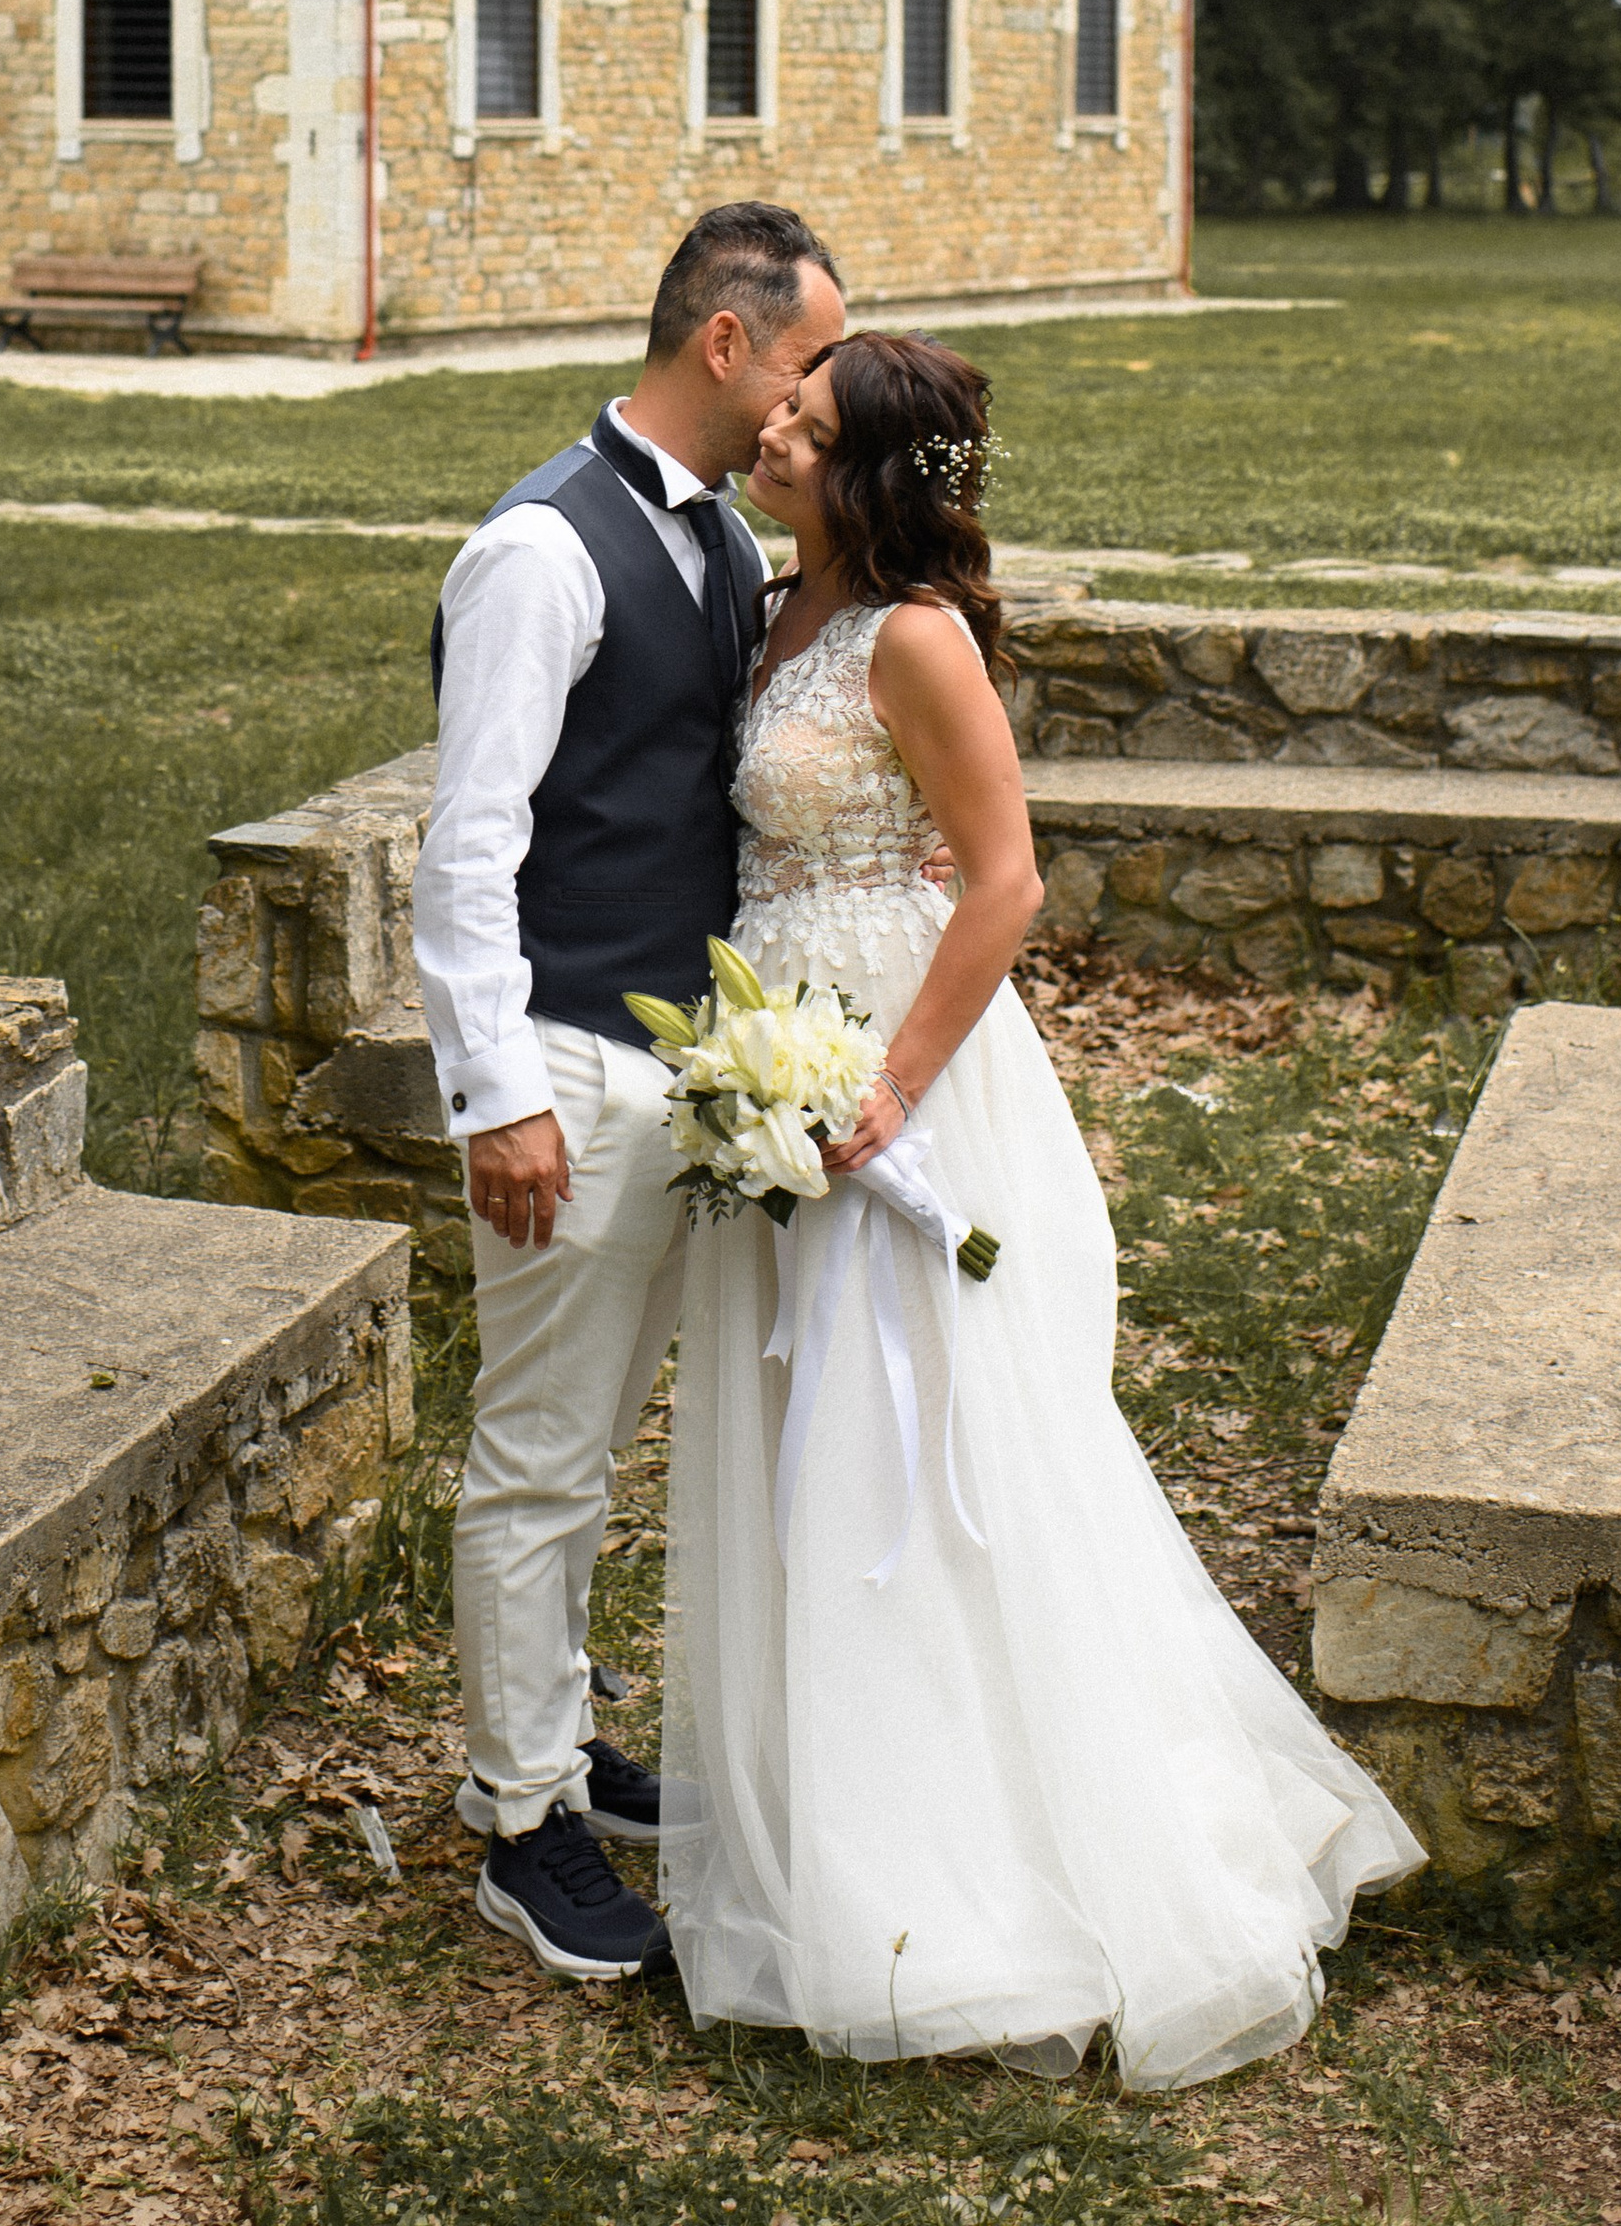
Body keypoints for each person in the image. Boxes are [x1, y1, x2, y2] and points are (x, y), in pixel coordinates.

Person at [660, 330, 1423, 2088]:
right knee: (800, 1429)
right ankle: (831, 1814)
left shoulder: (915, 640)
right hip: (776, 1045)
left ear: (868, 480)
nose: (771, 423)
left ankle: (968, 1875)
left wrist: (885, 1094)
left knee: (917, 1445)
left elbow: (1005, 882)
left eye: (809, 421)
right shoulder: (778, 607)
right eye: (781, 401)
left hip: (890, 1075)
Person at [412, 201, 848, 1984]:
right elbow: (469, 848)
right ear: (728, 346)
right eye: (813, 357)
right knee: (539, 1454)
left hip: (686, 1074)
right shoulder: (539, 550)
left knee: (602, 1447)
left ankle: (562, 1734)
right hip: (573, 1072)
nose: (823, 391)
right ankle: (521, 1823)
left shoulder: (727, 536)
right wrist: (495, 1091)